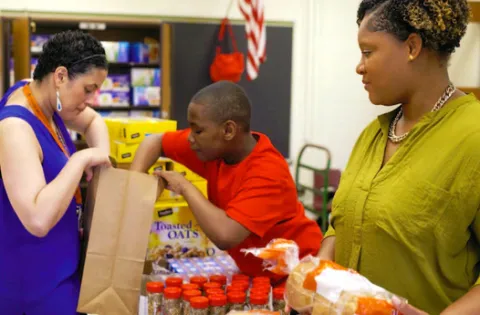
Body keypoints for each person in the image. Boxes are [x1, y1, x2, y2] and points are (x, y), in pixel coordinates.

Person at [314, 0, 480, 314]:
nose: (359, 66)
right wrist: (318, 272)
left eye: (368, 52)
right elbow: (343, 223)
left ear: (412, 47)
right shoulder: (372, 135)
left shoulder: (473, 137)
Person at [131, 80, 323, 285]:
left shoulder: (268, 172)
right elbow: (154, 141)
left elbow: (225, 235)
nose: (189, 139)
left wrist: (185, 187)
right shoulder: (212, 147)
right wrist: (132, 190)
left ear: (228, 131)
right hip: (257, 275)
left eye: (197, 131)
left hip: (299, 276)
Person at [0, 30, 111, 314]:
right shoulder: (15, 129)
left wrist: (102, 158)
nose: (91, 99)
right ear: (60, 76)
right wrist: (82, 159)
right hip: (33, 283)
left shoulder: (37, 93)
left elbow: (94, 122)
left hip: (61, 268)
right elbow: (37, 220)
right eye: (88, 89)